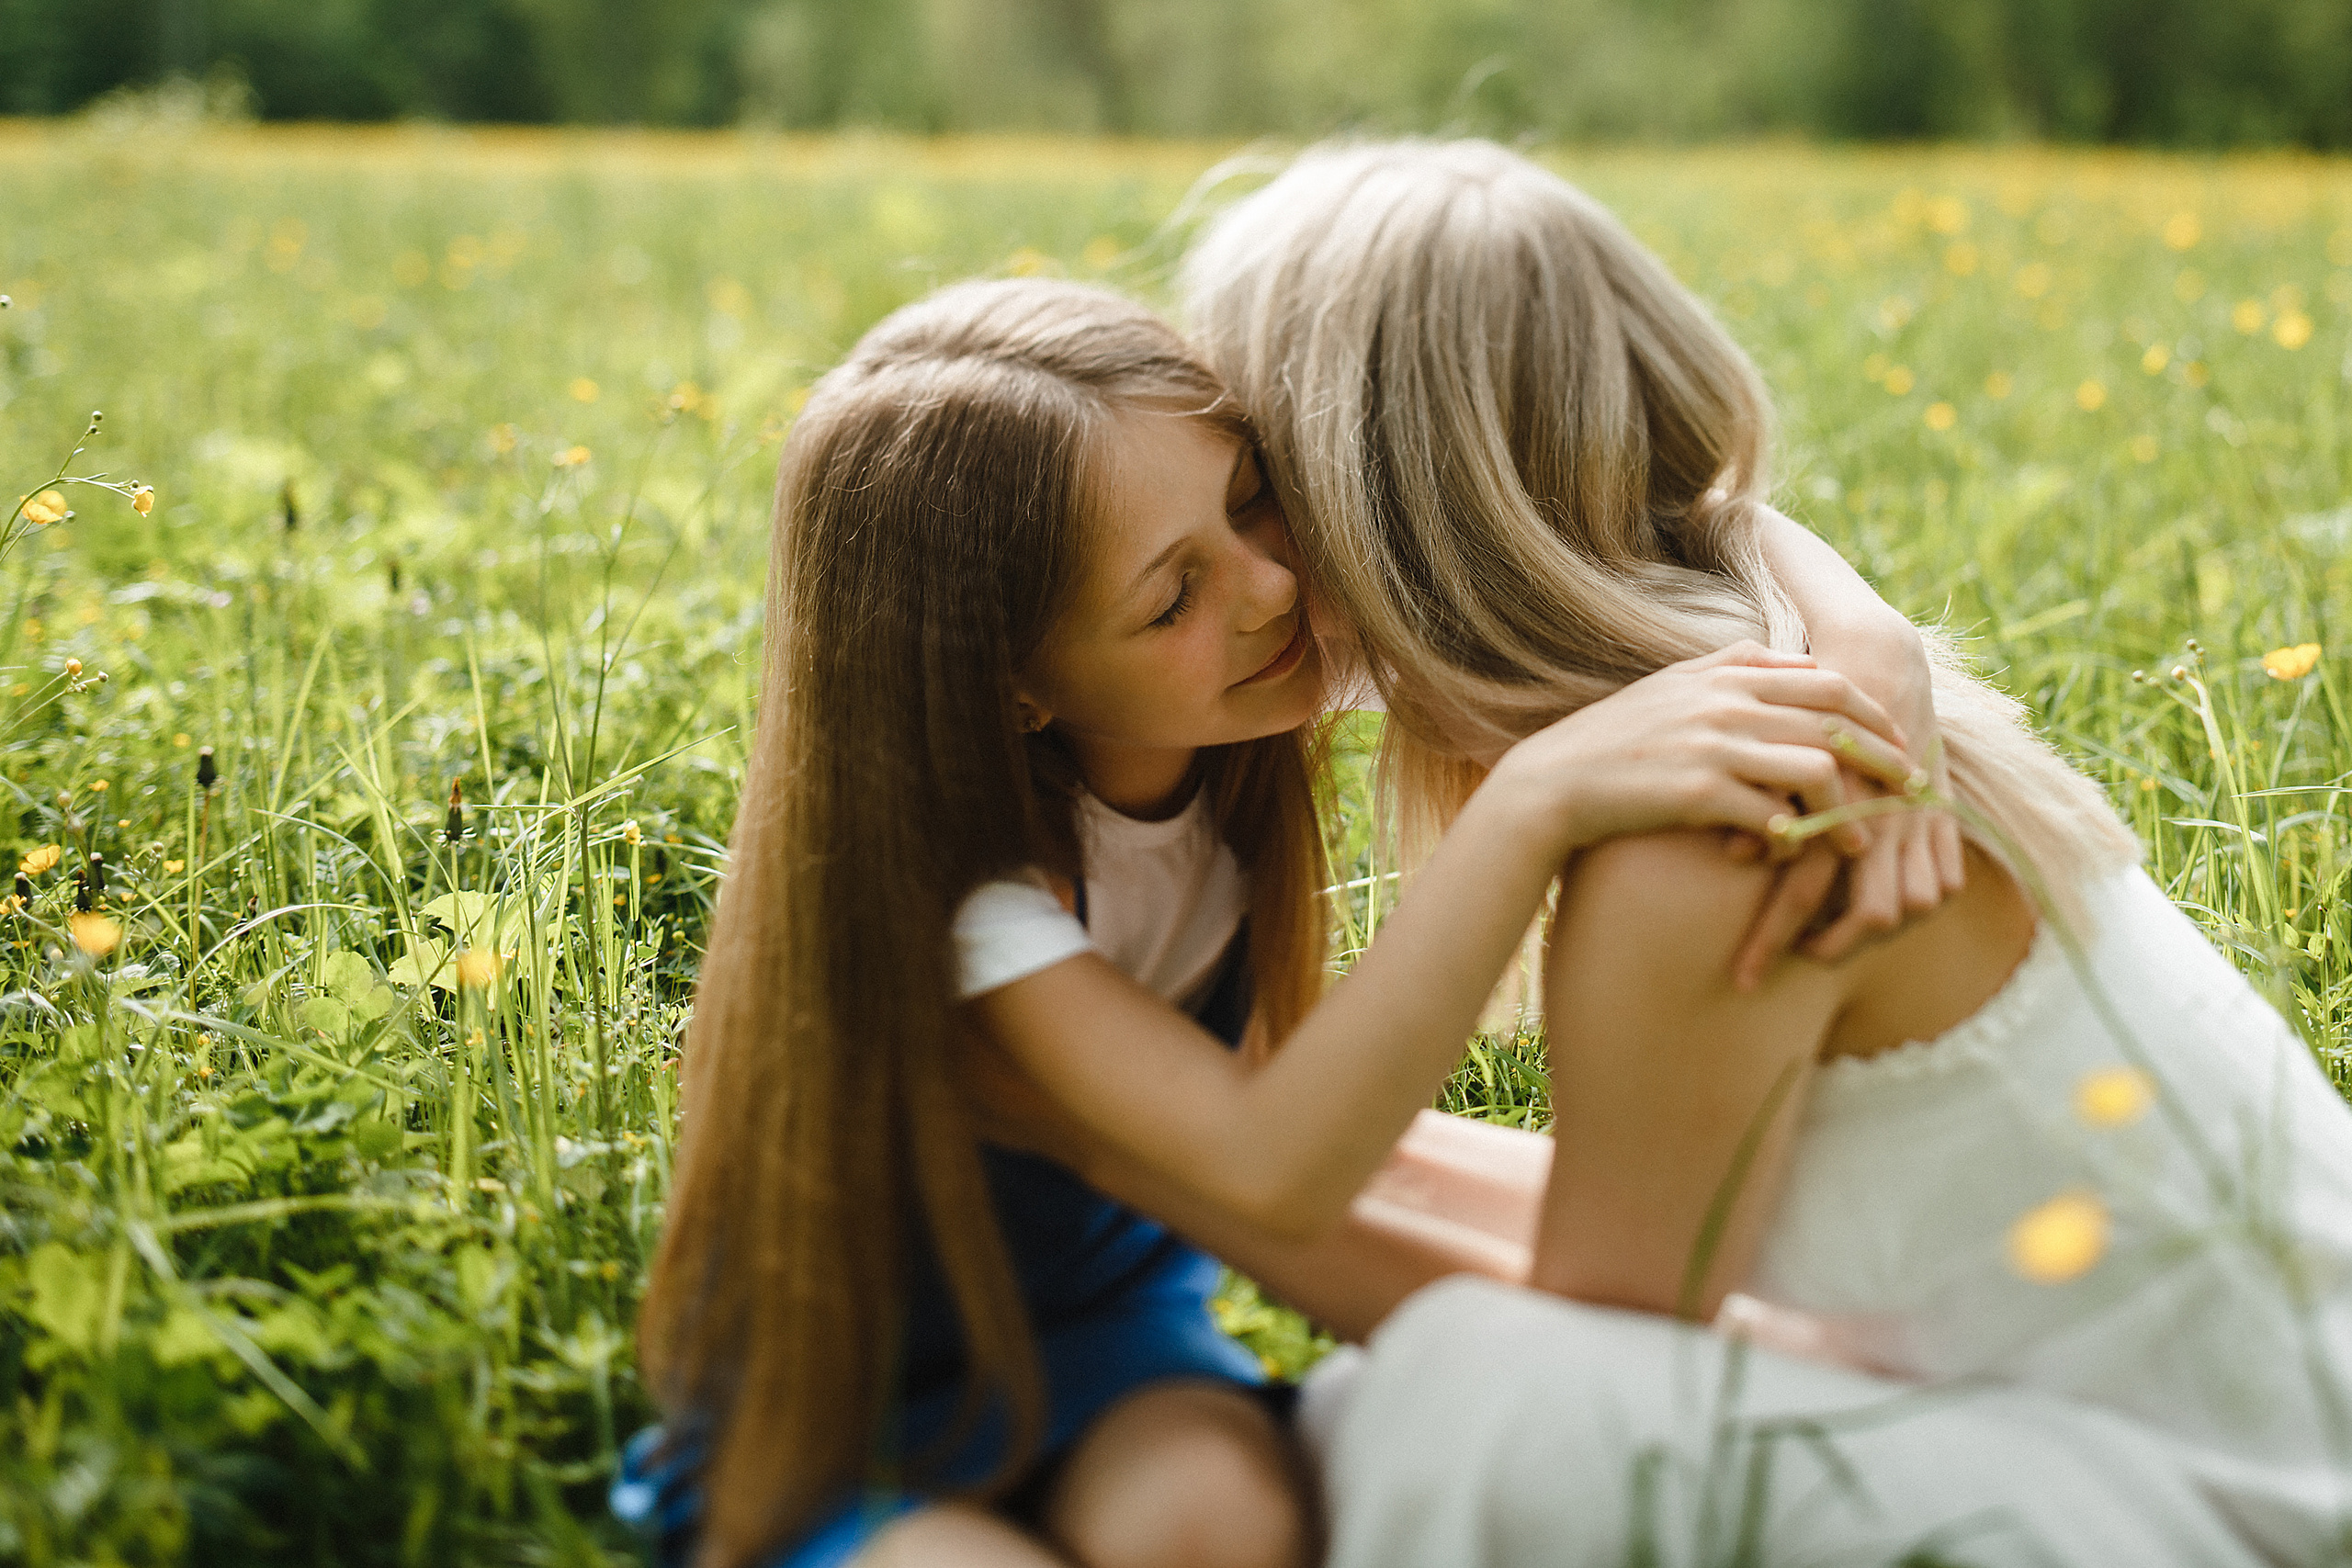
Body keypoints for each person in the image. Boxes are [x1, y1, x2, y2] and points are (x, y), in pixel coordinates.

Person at [623, 276, 1927, 1568]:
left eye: (1251, 500)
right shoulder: (975, 920)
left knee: (1218, 1527)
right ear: (1013, 681)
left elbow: (1639, 521)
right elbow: (1276, 1165)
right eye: (1169, 596)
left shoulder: (1216, 699)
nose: (1262, 586)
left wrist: (1865, 631)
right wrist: (1529, 811)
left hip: (1106, 1345)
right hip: (851, 1403)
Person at [1182, 137, 2352, 1563]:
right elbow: (1626, 1229)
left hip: (2232, 1516)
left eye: (1251, 487)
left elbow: (1595, 1370)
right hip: (2188, 1450)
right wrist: (1233, 1128)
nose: (1230, 546)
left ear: (1360, 508)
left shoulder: (1711, 832)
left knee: (1456, 1404)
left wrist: (1144, 1162)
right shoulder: (1767, 667)